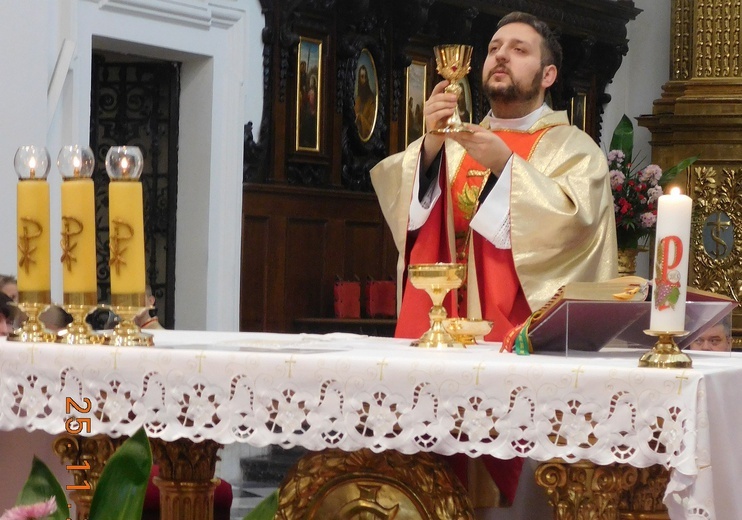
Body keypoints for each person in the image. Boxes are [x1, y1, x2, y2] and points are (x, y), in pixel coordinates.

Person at [370, 11, 617, 508]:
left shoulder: (573, 150)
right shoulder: (456, 142)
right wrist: (433, 148)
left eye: (520, 49)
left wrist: (506, 164)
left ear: (548, 76)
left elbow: (571, 230)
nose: (501, 55)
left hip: (520, 353)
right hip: (444, 349)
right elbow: (412, 222)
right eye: (495, 47)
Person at [354, 64, 376, 140]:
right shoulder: (358, 99)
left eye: (365, 77)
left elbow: (370, 127)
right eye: (362, 77)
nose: (364, 80)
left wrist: (360, 117)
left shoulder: (371, 100)